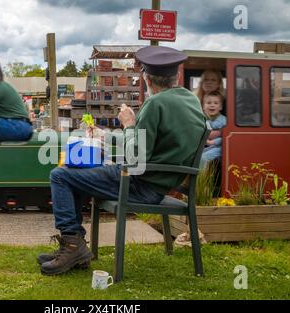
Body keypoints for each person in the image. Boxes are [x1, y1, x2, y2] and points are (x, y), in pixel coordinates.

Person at [37, 46, 206, 276]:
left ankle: (73, 246)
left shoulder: (154, 104)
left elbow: (136, 158)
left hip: (140, 185)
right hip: (159, 182)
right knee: (74, 175)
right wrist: (105, 135)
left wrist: (128, 124)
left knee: (61, 175)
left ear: (146, 78)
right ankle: (74, 245)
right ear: (176, 76)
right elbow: (146, 143)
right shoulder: (190, 101)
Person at [200, 91, 227, 169]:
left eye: (215, 103)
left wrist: (213, 142)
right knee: (196, 156)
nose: (212, 105)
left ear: (220, 107)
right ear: (203, 107)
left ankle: (202, 180)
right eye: (209, 103)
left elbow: (225, 137)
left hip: (221, 148)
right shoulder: (203, 120)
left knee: (204, 157)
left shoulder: (224, 120)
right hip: (208, 147)